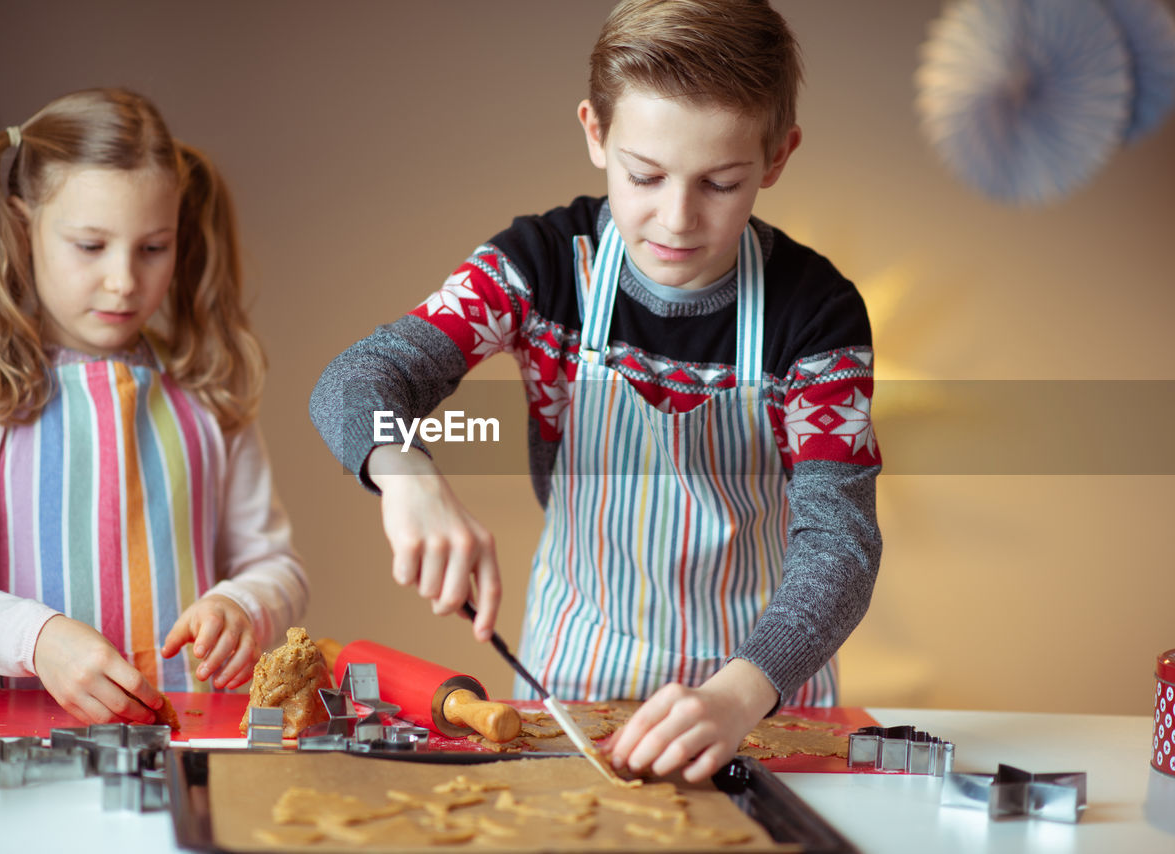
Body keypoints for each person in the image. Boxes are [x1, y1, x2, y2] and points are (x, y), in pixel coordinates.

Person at [311, 0, 880, 782]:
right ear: (594, 132)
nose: (677, 219)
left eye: (720, 182)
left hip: (760, 695)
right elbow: (358, 377)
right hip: (577, 671)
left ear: (778, 157)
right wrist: (405, 472)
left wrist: (740, 694)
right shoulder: (540, 271)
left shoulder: (815, 317)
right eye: (644, 175)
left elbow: (840, 546)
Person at [0, 88, 308, 725]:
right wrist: (38, 639)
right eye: (90, 246)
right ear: (20, 224)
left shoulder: (208, 388)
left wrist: (245, 604)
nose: (123, 280)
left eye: (153, 248)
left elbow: (275, 563)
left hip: (190, 737)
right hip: (13, 744)